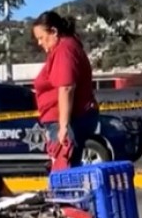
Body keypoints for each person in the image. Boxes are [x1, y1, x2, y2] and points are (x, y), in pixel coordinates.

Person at [31, 10, 99, 170]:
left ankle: (70, 195)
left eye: (41, 38)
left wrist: (63, 127)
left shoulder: (64, 49)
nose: (39, 43)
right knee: (68, 170)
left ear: (54, 31)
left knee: (64, 172)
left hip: (68, 122)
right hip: (67, 120)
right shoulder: (65, 48)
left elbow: (67, 87)